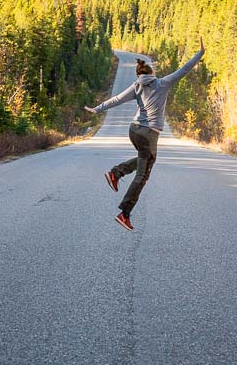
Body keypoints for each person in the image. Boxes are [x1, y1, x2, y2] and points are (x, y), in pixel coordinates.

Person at [86, 40, 204, 231]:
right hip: (149, 134)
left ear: (139, 74)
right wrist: (200, 54)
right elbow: (184, 69)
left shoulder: (136, 86)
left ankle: (116, 173)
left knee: (145, 159)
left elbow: (116, 99)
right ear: (152, 73)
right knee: (142, 175)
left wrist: (97, 109)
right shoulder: (162, 83)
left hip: (134, 130)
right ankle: (124, 213)